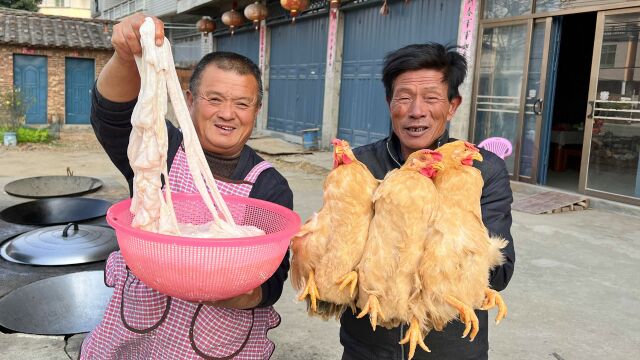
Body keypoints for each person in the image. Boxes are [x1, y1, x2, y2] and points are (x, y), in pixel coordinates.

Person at [80, 13, 293, 359]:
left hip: (217, 342)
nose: (228, 114)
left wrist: (233, 291)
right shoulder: (159, 149)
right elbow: (112, 113)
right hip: (137, 334)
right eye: (214, 99)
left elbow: (273, 279)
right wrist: (124, 55)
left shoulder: (268, 185)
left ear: (256, 112)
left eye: (242, 103)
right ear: (190, 101)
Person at [340, 43, 516, 359]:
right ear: (389, 102)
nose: (416, 110)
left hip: (450, 348)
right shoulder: (360, 166)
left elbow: (499, 275)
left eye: (431, 98)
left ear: (452, 106)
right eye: (404, 97)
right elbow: (338, 257)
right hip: (369, 345)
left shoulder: (481, 169)